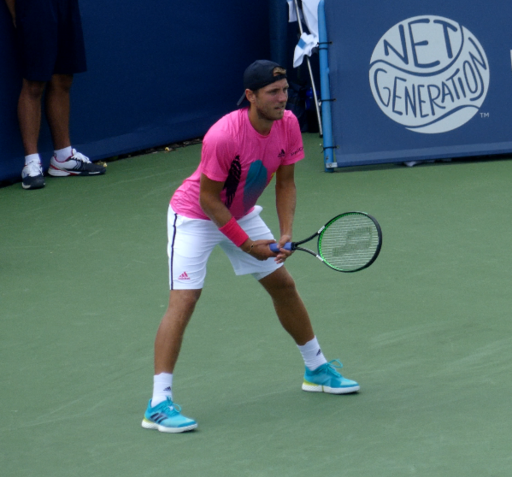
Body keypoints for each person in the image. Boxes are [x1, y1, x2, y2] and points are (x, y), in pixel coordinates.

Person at [141, 60, 360, 434]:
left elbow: (286, 182)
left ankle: (316, 368)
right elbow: (210, 200)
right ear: (250, 96)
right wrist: (247, 245)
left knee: (284, 286)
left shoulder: (288, 123)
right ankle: (158, 403)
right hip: (196, 217)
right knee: (185, 299)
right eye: (273, 93)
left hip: (241, 212)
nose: (282, 98)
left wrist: (285, 232)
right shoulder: (223, 135)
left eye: (285, 91)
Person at [4, 0, 106, 190]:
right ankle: (31, 164)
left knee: (63, 78)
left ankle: (63, 157)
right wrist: (17, 12)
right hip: (33, 6)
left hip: (65, 5)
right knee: (34, 83)